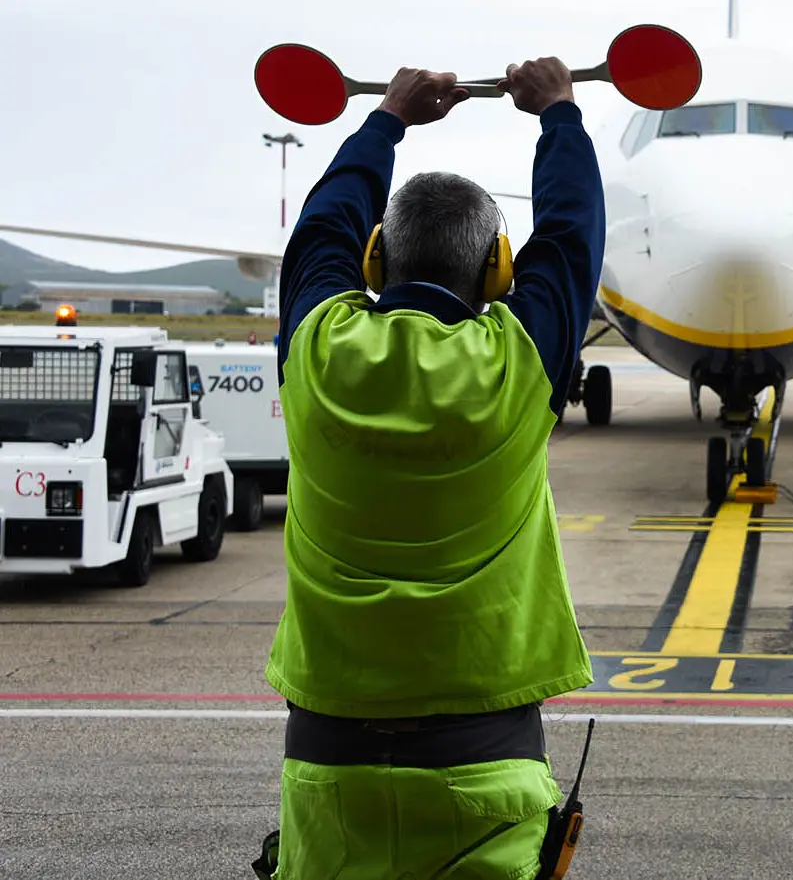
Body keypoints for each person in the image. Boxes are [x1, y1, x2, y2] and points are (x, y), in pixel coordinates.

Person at [252, 56, 604, 880]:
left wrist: (387, 120)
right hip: (485, 757)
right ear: (497, 272)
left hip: (328, 761)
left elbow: (321, 230)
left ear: (376, 258)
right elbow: (573, 231)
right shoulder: (515, 362)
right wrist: (558, 115)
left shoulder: (319, 350)